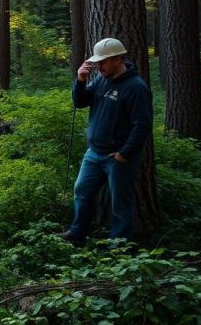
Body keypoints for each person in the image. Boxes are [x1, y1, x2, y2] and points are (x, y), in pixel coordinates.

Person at [56, 37, 152, 245]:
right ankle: (77, 233)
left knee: (120, 204)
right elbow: (80, 102)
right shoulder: (101, 79)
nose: (98, 66)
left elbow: (142, 125)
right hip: (93, 153)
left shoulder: (136, 87)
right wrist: (80, 81)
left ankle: (119, 247)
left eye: (103, 62)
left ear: (117, 60)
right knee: (81, 191)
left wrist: (124, 153)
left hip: (117, 157)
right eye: (97, 62)